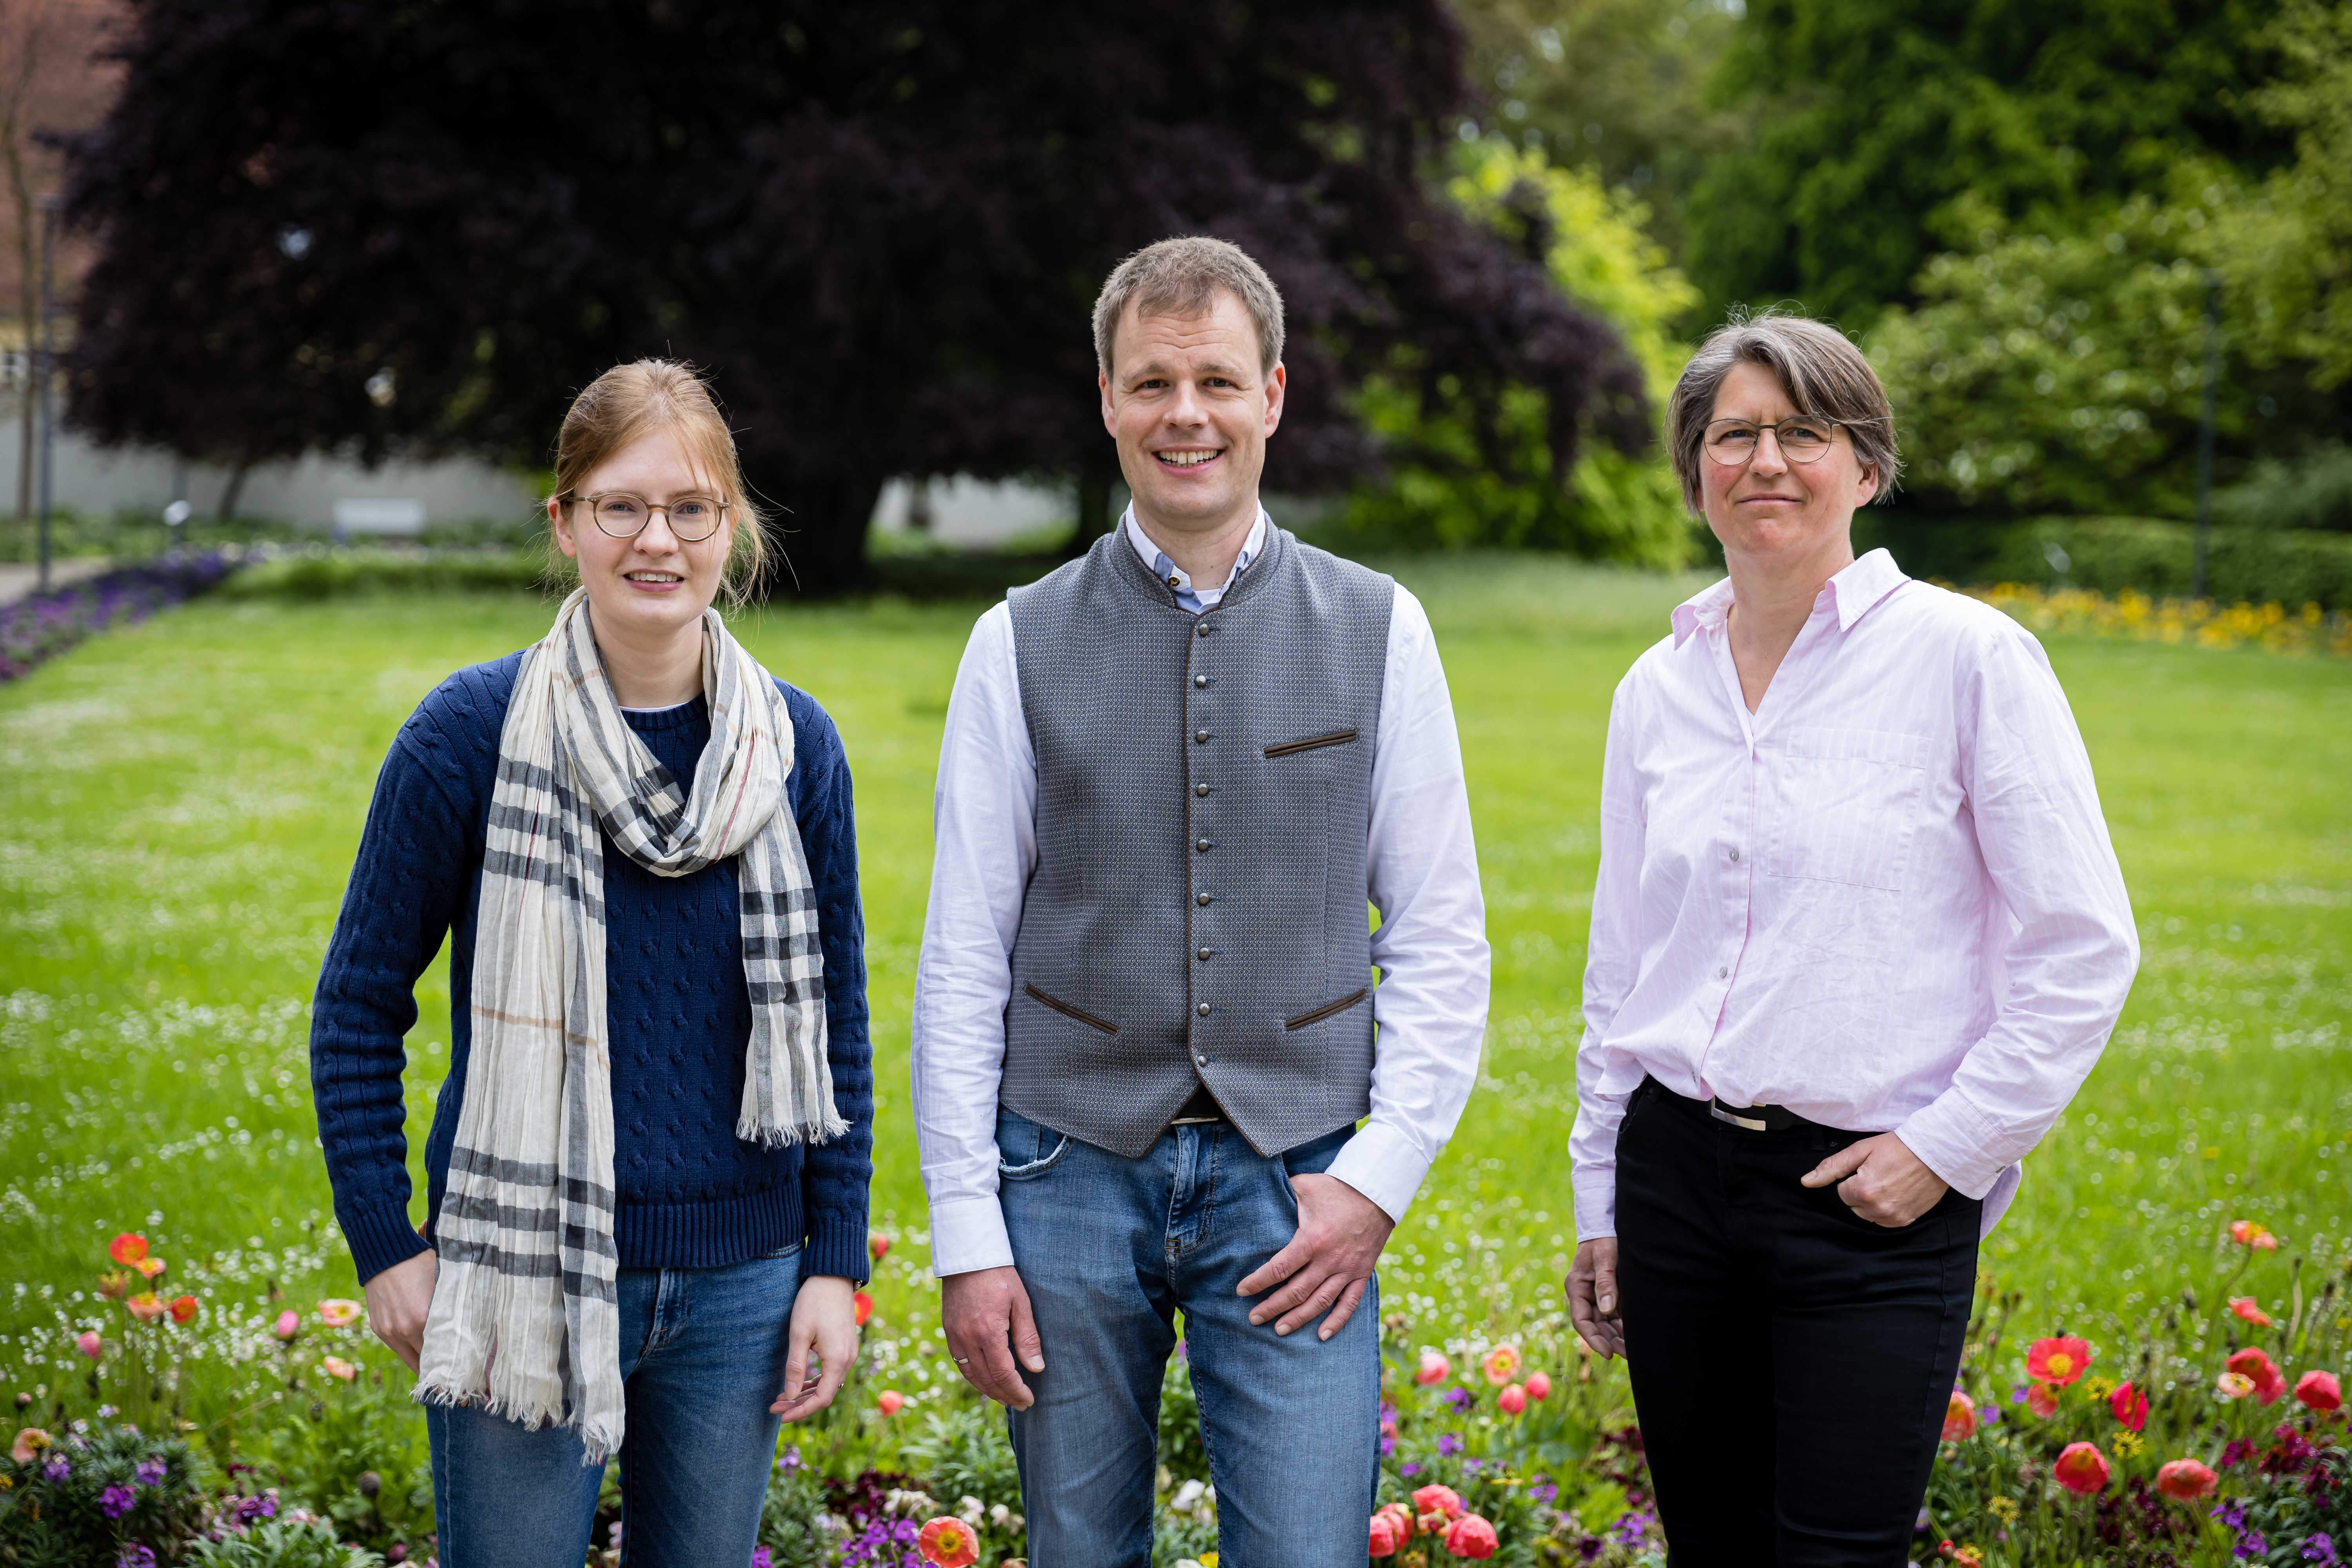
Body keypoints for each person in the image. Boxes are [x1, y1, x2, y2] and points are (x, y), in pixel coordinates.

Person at [911, 236, 1490, 1567]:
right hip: (1062, 1166)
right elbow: (962, 960)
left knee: (1306, 1550)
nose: (1188, 414)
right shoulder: (1015, 640)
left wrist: (1376, 1182)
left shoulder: (1382, 627)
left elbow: (1443, 935)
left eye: (1218, 381)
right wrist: (966, 1233)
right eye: (1154, 382)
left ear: (1273, 396)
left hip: (1300, 1180)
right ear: (1107, 399)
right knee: (1074, 1548)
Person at [1563, 312, 2140, 1562]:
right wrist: (1600, 1192)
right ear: (1695, 472)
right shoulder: (1655, 690)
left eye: (1802, 432)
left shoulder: (1970, 660)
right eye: (1733, 436)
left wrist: (1946, 1148)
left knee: (1838, 1551)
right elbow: (1626, 965)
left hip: (1871, 1195)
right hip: (1674, 1181)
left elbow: (2084, 945)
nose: (1764, 461)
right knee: (1712, 1548)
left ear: (1864, 469)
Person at [309, 360, 873, 1568]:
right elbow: (358, 1009)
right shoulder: (465, 737)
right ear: (565, 522)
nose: (656, 538)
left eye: (690, 507)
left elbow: (836, 1031)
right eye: (621, 505)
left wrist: (833, 1267)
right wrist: (387, 1246)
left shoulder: (793, 749)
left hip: (740, 1290)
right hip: (522, 1272)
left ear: (734, 527)